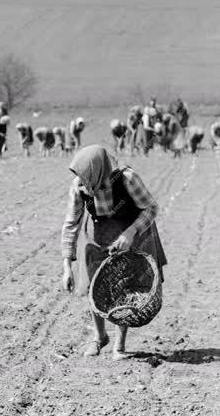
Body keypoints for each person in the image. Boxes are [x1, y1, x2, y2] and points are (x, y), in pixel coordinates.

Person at [61, 145, 167, 360]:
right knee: (94, 284)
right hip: (98, 233)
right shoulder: (79, 186)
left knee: (124, 285)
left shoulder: (127, 179)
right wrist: (66, 266)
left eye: (86, 174)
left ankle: (119, 346)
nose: (82, 180)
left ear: (98, 169)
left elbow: (151, 208)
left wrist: (130, 232)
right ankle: (99, 337)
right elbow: (71, 223)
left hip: (128, 231)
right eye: (79, 175)